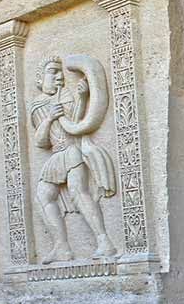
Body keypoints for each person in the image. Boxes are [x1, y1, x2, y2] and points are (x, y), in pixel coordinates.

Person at [29, 56, 118, 262]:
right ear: (40, 79)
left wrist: (82, 98)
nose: (59, 76)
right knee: (43, 196)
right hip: (56, 155)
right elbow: (41, 141)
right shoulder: (38, 105)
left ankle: (104, 242)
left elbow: (75, 124)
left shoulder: (65, 95)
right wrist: (50, 117)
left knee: (78, 192)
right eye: (52, 71)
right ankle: (61, 247)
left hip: (71, 151)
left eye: (60, 72)